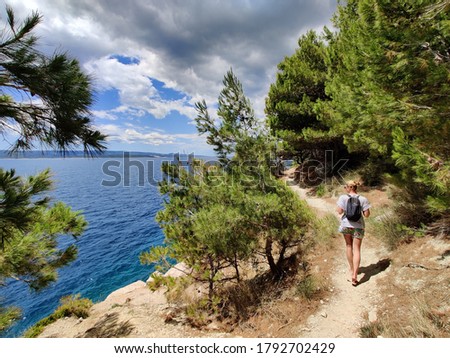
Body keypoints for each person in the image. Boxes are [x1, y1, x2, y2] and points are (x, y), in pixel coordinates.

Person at [336, 180, 371, 286]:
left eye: (345, 187)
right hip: (359, 226)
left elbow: (339, 211)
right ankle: (355, 275)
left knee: (348, 246)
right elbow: (367, 215)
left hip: (346, 225)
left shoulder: (343, 198)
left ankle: (351, 269)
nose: (345, 189)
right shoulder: (363, 199)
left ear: (349, 188)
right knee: (357, 249)